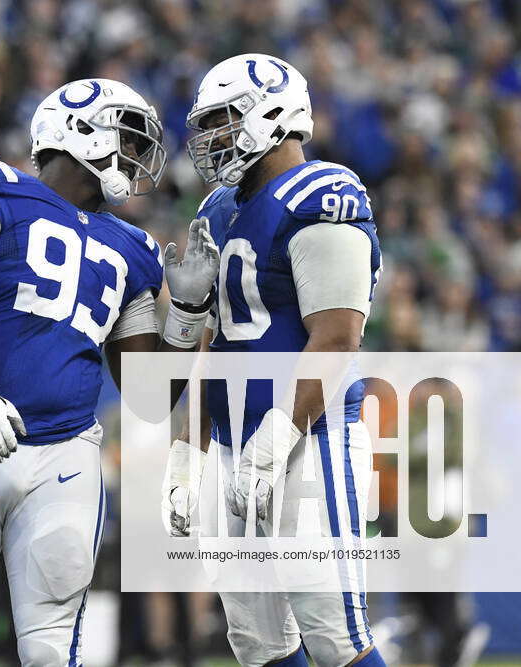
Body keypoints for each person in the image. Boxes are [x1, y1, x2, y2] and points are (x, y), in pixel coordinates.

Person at [0, 78, 219, 666]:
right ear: (79, 131)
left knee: (50, 653)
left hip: (63, 458)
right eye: (129, 138)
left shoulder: (132, 248)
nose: (138, 158)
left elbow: (145, 394)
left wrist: (187, 315)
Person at [161, 54, 386, 667]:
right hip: (236, 442)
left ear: (275, 116)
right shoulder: (216, 209)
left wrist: (273, 442)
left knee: (335, 636)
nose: (215, 138)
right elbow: (215, 344)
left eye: (227, 120)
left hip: (313, 436)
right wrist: (187, 453)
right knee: (257, 644)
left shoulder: (323, 194)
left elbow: (337, 339)